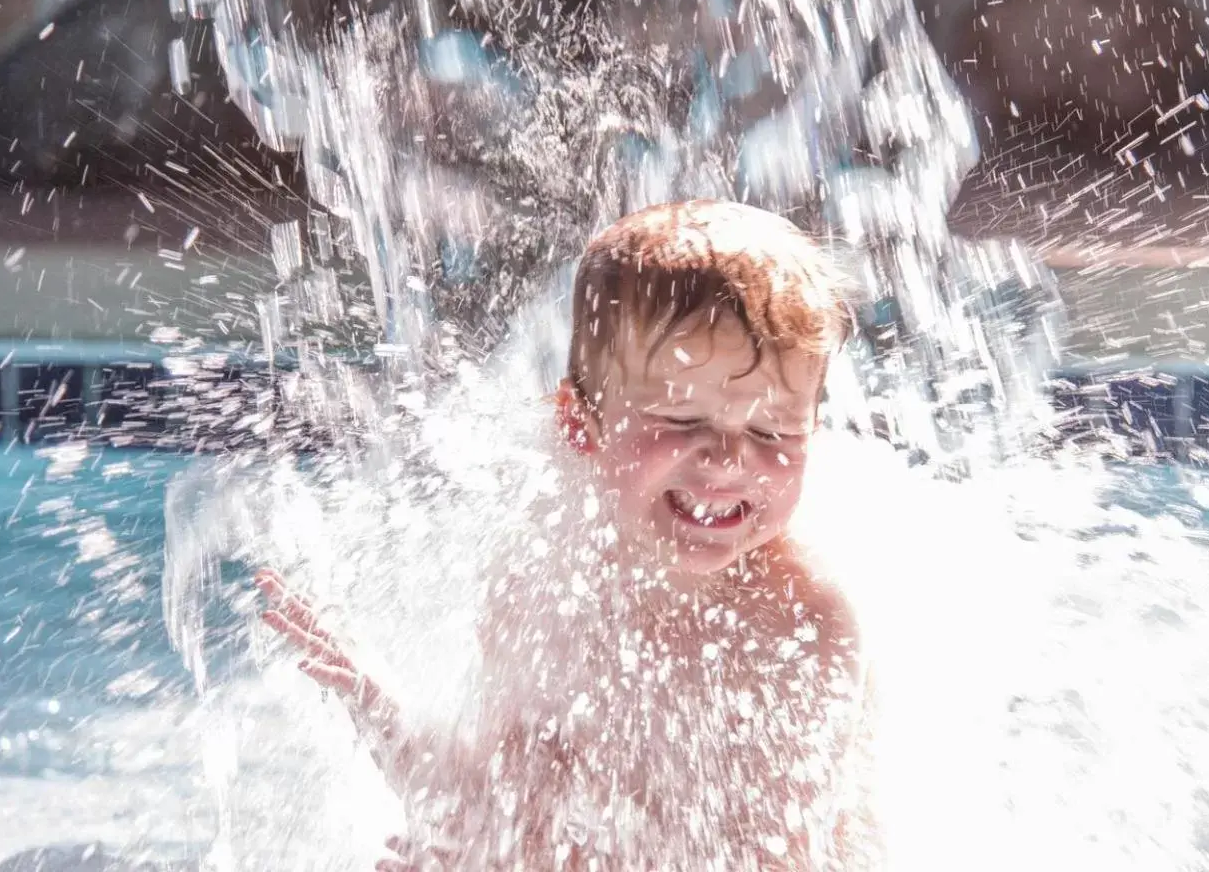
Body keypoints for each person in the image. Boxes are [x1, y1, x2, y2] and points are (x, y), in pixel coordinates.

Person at [256, 199, 879, 870]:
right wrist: (381, 712)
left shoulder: (799, 623)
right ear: (580, 424)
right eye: (680, 418)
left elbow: (766, 860)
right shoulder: (544, 583)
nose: (728, 461)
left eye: (771, 431)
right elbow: (502, 802)